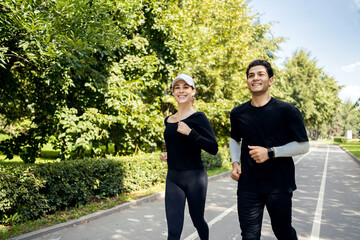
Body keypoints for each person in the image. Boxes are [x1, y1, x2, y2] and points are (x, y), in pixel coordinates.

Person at [229, 59, 309, 240]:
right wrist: (235, 163)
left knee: (283, 232)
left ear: (270, 80)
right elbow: (235, 139)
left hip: (279, 185)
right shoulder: (238, 113)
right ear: (247, 81)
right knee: (249, 236)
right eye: (251, 75)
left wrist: (270, 152)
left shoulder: (287, 111)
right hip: (248, 185)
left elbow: (304, 145)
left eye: (260, 74)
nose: (255, 78)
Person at [160, 74, 218, 240]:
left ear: (193, 91)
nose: (181, 90)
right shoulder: (168, 120)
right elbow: (177, 145)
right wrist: (168, 154)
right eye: (177, 87)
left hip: (195, 177)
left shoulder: (199, 118)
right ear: (173, 93)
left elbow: (213, 148)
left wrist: (191, 133)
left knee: (198, 220)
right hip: (173, 177)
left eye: (185, 87)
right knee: (173, 229)